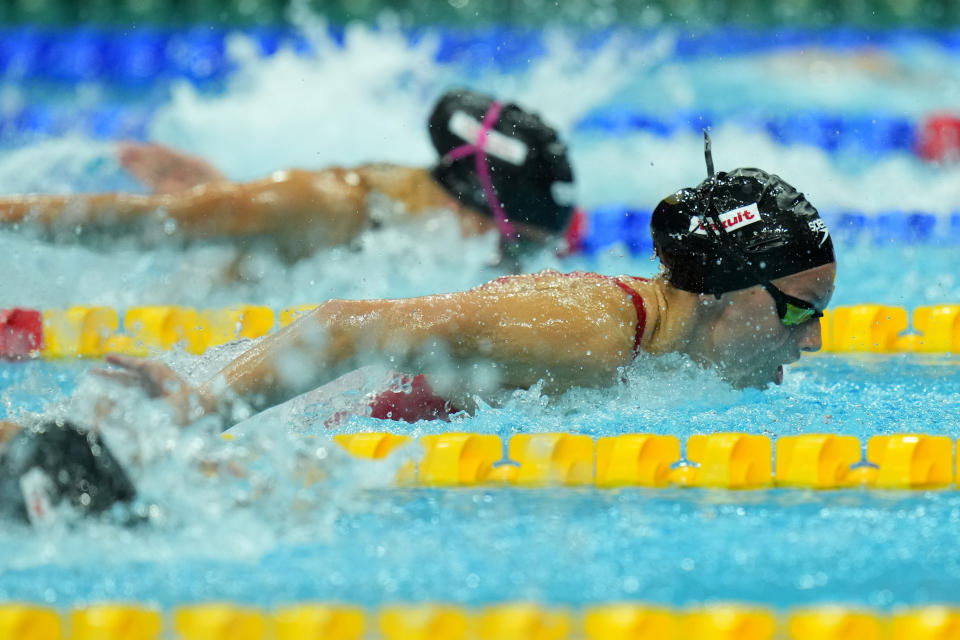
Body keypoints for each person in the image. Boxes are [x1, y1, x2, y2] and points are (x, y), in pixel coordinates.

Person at [98, 135, 836, 428]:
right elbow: (350, 324)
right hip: (287, 427)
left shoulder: (649, 340)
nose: (815, 339)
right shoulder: (593, 332)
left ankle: (218, 202)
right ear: (721, 290)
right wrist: (203, 407)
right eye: (801, 313)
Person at [0, 89, 582, 262]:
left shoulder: (392, 222)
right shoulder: (325, 204)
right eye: (511, 247)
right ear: (465, 206)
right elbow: (137, 224)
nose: (508, 264)